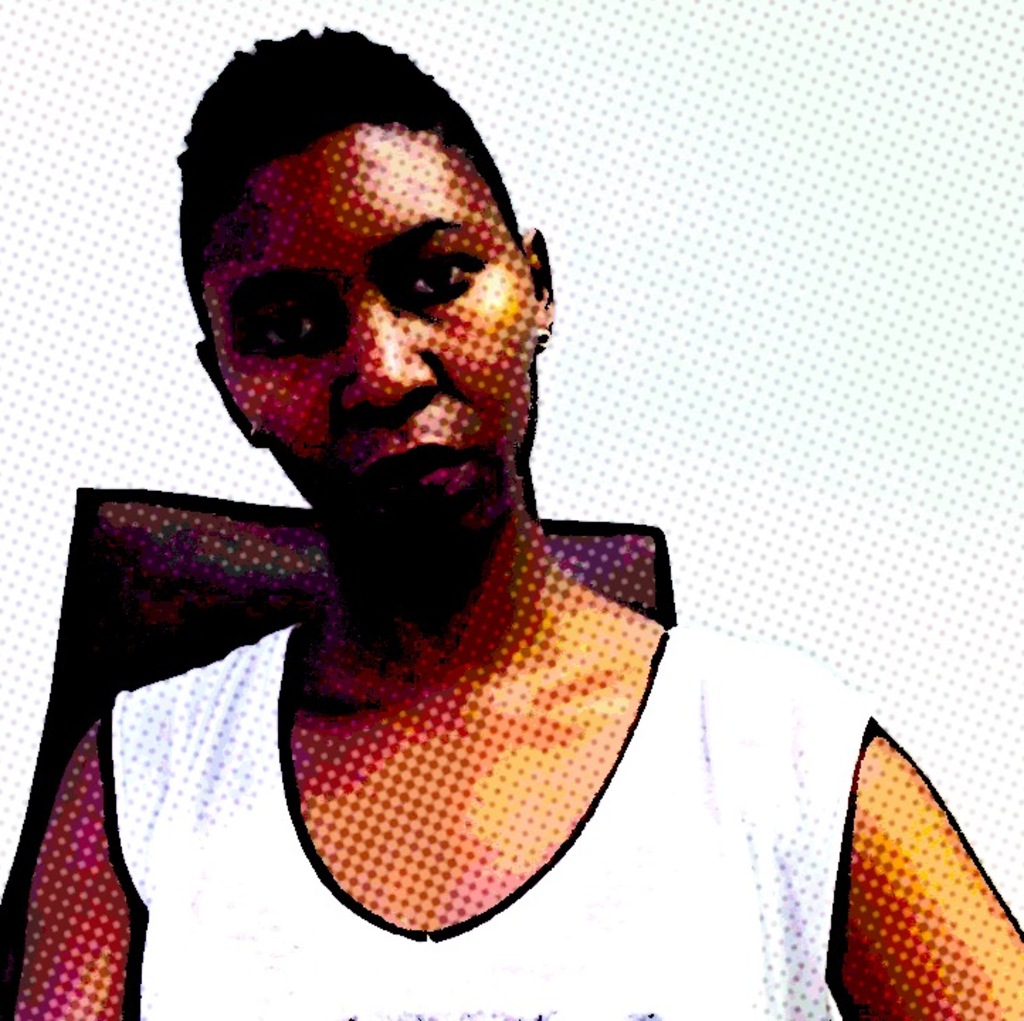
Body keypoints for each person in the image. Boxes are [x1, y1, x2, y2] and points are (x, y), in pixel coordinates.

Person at [12, 29, 1024, 1020]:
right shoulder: (142, 783)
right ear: (228, 382)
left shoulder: (778, 757)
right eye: (291, 328)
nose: (385, 371)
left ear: (536, 285)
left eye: (436, 281)